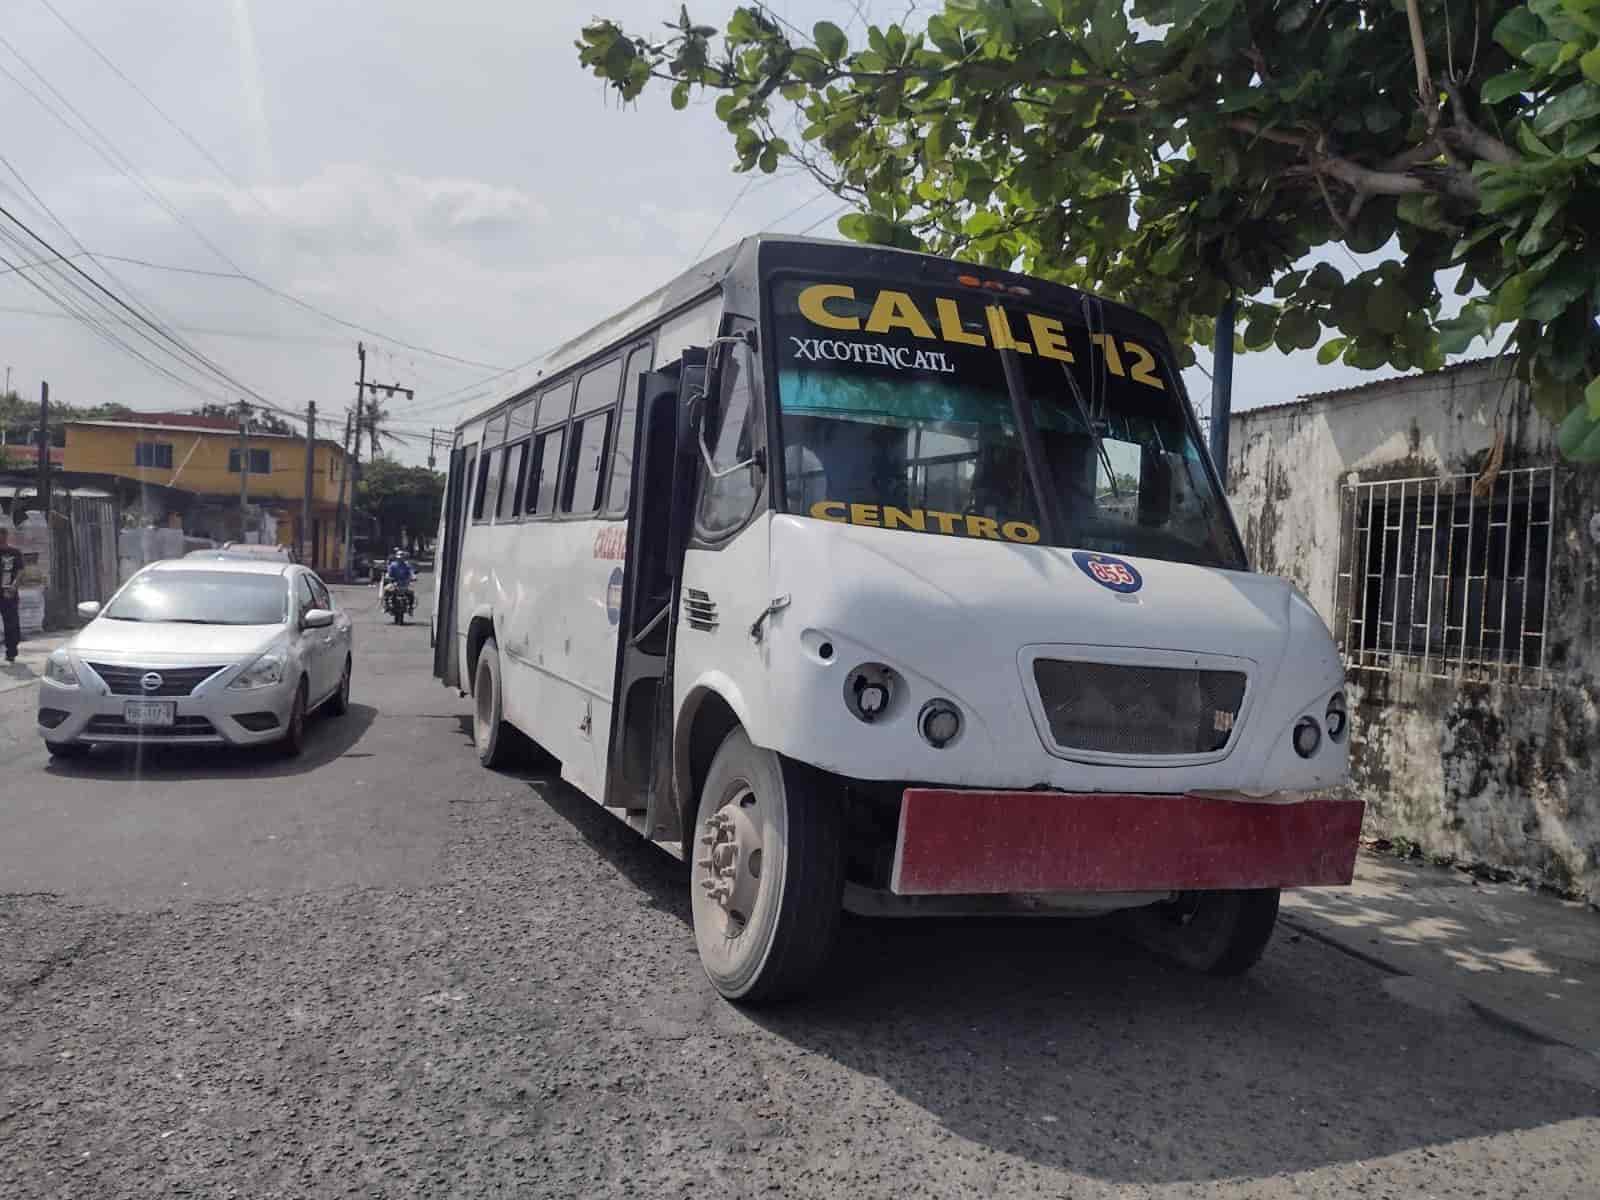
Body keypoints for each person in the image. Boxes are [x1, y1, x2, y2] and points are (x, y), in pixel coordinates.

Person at [0, 524, 23, 663]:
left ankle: (11, 652)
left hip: (8, 592)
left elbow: (20, 571)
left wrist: (14, 586)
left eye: (2, 538)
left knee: (11, 624)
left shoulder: (15, 552)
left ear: (6, 537)